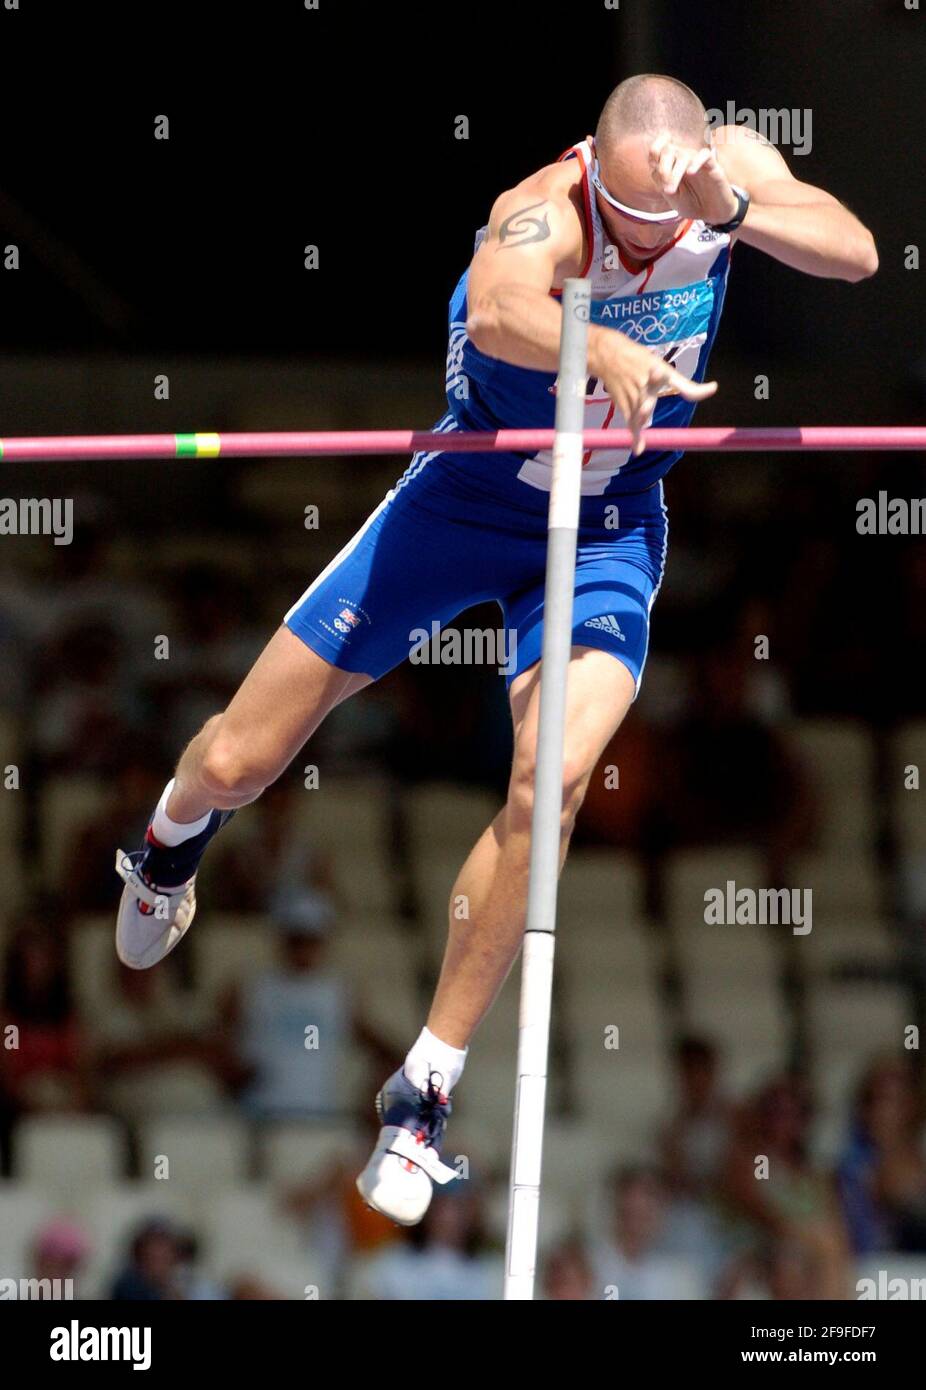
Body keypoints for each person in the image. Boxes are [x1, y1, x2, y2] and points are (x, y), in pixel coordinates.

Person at [113, 74, 877, 1226]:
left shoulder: (724, 179)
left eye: (661, 228)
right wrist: (596, 343)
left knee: (552, 780)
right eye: (628, 226)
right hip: (463, 504)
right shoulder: (542, 206)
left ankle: (423, 1092)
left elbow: (856, 251)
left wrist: (729, 215)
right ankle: (167, 849)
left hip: (608, 525)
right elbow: (498, 310)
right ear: (595, 176)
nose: (641, 246)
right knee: (235, 763)